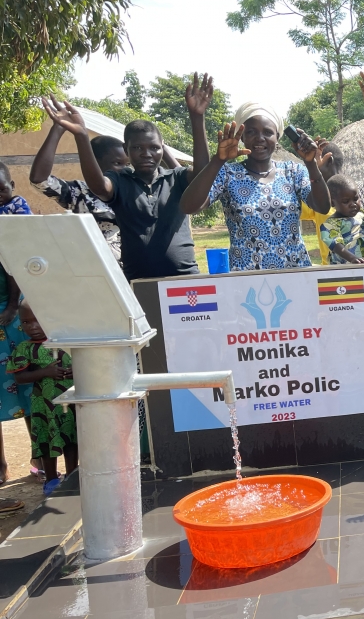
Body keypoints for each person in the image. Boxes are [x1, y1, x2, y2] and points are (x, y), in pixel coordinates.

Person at [44, 77, 214, 281]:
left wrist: (197, 118)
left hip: (184, 279)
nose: (147, 154)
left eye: (154, 148)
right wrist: (81, 136)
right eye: (137, 148)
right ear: (126, 150)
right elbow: (98, 186)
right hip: (139, 282)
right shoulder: (120, 180)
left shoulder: (176, 177)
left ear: (162, 149)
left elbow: (203, 176)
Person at [179, 102, 331, 271]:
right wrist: (218, 160)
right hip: (246, 280)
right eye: (251, 132)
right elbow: (189, 206)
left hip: (294, 273)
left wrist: (310, 164)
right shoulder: (228, 174)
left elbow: (322, 207)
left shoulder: (293, 171)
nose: (260, 138)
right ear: (241, 137)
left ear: (277, 137)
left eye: (268, 132)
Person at [31, 98, 130, 262]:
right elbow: (39, 179)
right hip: (94, 273)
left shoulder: (134, 190)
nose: (125, 169)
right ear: (92, 162)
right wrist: (58, 129)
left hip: (132, 276)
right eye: (118, 163)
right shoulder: (80, 192)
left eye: (127, 164)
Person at [7, 302, 77, 496]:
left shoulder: (68, 343)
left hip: (69, 403)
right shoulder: (25, 348)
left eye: (38, 321)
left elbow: (87, 365)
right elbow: (20, 378)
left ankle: (72, 476)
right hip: (42, 405)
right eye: (26, 322)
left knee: (71, 440)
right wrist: (46, 372)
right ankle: (52, 479)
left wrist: (76, 370)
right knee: (46, 441)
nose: (33, 327)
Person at [0, 266, 32, 503]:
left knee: (30, 387)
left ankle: (39, 457)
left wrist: (12, 306)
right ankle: (0, 465)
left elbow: (11, 267)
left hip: (10, 313)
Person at [319, 175, 364, 265]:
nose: (353, 204)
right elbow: (336, 245)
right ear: (332, 203)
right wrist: (352, 258)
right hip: (346, 265)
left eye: (355, 199)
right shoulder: (330, 224)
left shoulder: (362, 214)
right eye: (346, 201)